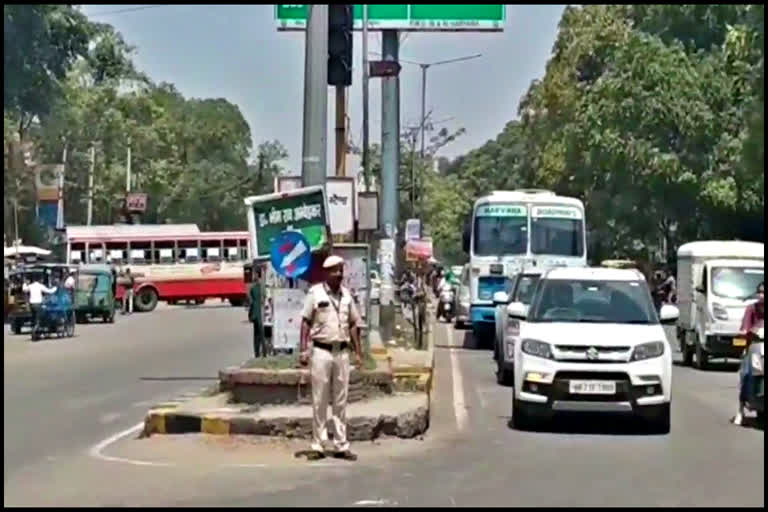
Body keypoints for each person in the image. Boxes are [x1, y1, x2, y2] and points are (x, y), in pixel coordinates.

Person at [299, 255, 363, 462]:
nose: (339, 274)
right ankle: (318, 444)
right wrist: (303, 351)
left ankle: (341, 445)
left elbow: (354, 323)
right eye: (335, 271)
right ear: (327, 273)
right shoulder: (315, 293)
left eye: (341, 270)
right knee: (319, 399)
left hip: (342, 352)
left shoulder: (346, 296)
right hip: (321, 352)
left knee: (341, 401)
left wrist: (358, 352)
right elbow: (305, 322)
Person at [732, 281, 764, 426]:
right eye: (761, 292)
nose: (762, 295)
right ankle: (740, 410)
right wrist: (744, 335)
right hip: (755, 347)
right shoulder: (751, 309)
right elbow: (744, 328)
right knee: (746, 373)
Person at [246, 266, 266, 358]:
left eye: (254, 273)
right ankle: (262, 353)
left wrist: (250, 313)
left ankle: (258, 353)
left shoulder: (254, 287)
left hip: (256, 312)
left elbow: (250, 301)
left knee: (258, 335)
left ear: (257, 274)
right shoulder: (262, 286)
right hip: (260, 312)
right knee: (260, 333)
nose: (253, 275)